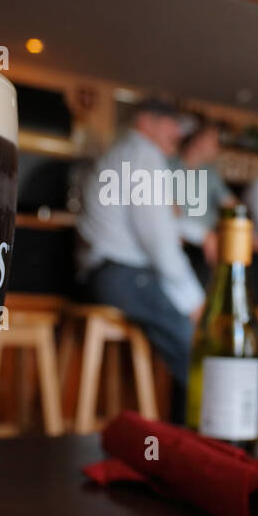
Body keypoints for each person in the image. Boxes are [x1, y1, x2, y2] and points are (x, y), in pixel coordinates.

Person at [76, 99, 204, 424]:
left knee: (187, 340)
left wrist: (200, 235)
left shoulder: (124, 153)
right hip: (120, 276)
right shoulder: (144, 157)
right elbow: (159, 241)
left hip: (102, 275)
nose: (178, 132)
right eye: (171, 122)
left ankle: (183, 436)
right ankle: (194, 442)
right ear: (146, 121)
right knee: (197, 346)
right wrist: (195, 301)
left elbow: (161, 224)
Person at [170, 121, 237, 285]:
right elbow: (169, 212)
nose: (218, 147)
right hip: (175, 245)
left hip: (206, 249)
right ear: (198, 140)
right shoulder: (168, 166)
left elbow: (232, 206)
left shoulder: (210, 174)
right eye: (214, 141)